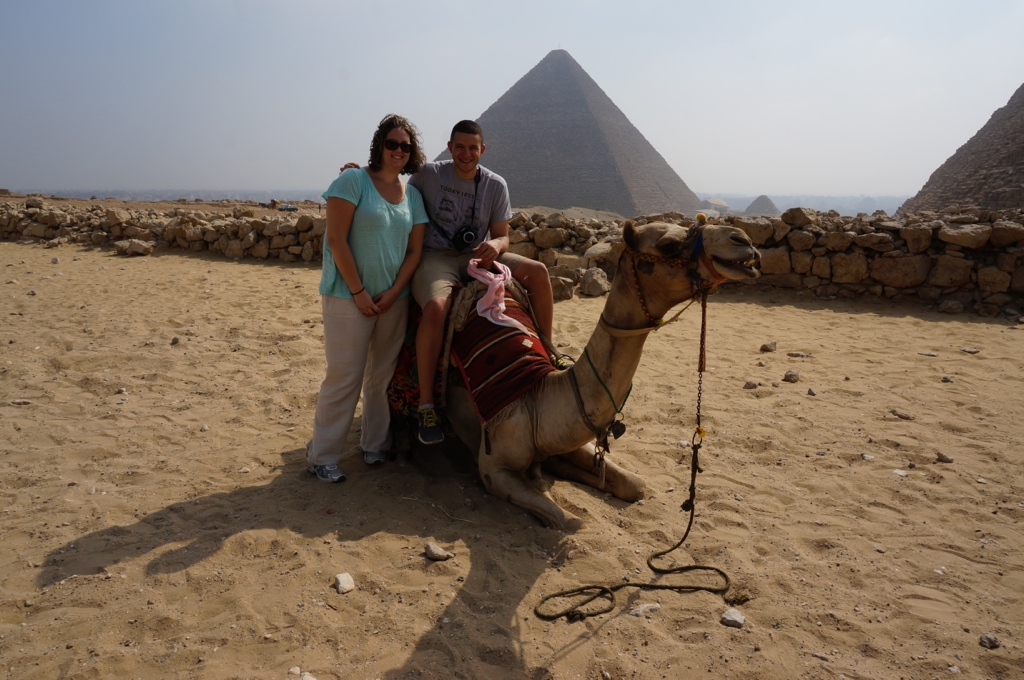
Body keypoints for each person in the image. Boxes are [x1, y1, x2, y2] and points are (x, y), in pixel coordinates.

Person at [408, 120, 555, 445]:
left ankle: (547, 353)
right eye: (459, 147)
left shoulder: (495, 185)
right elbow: (389, 180)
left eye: (472, 148)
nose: (466, 153)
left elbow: (503, 237)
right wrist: (358, 174)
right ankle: (426, 405)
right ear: (449, 147)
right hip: (437, 258)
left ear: (482, 150)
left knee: (540, 274)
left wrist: (496, 247)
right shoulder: (429, 175)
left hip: (479, 255)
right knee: (435, 307)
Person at [307, 114, 428, 483]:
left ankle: (374, 447)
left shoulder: (414, 195)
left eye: (405, 146)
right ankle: (322, 456)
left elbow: (414, 253)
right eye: (392, 143)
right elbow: (336, 240)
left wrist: (393, 293)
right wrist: (359, 292)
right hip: (348, 298)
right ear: (379, 145)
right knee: (344, 377)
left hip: (394, 300)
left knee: (381, 377)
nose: (398, 151)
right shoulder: (353, 180)